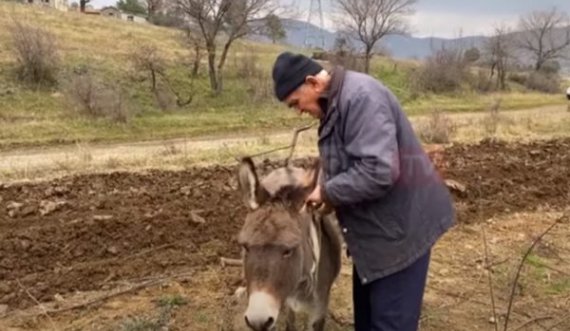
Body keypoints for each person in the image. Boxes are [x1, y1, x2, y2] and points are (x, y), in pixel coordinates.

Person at [271, 52, 456, 331]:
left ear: (312, 83)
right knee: (368, 322)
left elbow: (379, 170)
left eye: (296, 103)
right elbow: (353, 161)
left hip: (400, 234)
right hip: (376, 236)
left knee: (390, 324)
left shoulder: (360, 98)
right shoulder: (336, 104)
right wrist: (331, 196)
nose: (298, 111)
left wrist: (328, 192)